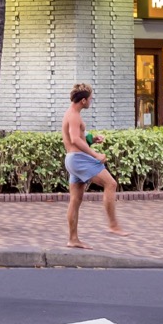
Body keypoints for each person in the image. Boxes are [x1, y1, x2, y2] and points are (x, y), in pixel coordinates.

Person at [61, 83, 125, 249]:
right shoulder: (74, 115)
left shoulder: (70, 113)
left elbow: (77, 137)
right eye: (90, 99)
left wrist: (91, 138)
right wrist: (95, 155)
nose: (91, 101)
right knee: (111, 184)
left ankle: (73, 239)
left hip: (72, 159)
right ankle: (113, 225)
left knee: (75, 200)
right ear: (83, 100)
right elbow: (74, 139)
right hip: (79, 159)